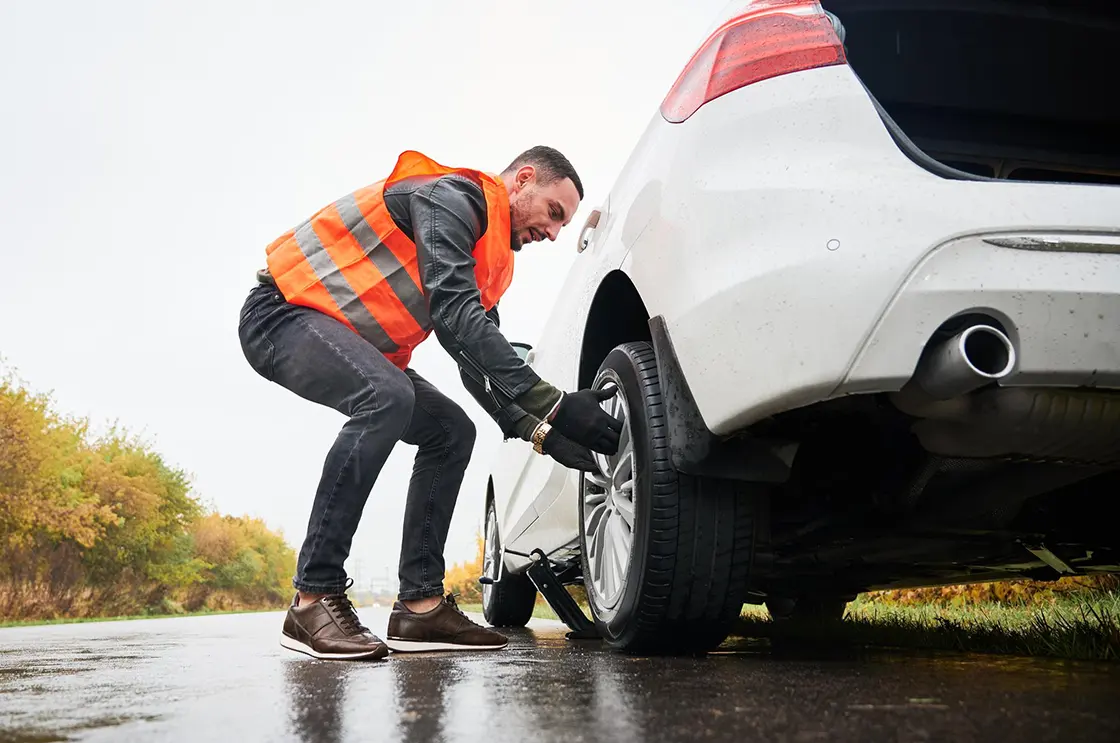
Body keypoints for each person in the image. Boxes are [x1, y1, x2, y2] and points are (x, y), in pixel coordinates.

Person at [237, 146, 622, 661]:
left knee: (450, 430)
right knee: (387, 397)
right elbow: (454, 316)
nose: (553, 234)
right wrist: (556, 404)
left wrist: (545, 434)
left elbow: (479, 364)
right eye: (554, 213)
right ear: (523, 179)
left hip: (347, 341)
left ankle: (419, 609)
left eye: (561, 224)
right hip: (280, 314)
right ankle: (312, 598)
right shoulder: (452, 199)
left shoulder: (489, 264)